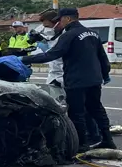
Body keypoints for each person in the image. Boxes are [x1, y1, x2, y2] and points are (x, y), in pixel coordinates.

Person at [20, 8, 116, 151]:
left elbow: (51, 55)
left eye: (61, 19)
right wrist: (105, 74)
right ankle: (107, 140)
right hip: (94, 79)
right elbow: (102, 57)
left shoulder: (69, 35)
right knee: (96, 110)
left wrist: (23, 59)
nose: (59, 22)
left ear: (68, 19)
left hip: (76, 80)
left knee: (77, 113)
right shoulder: (93, 34)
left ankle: (82, 145)